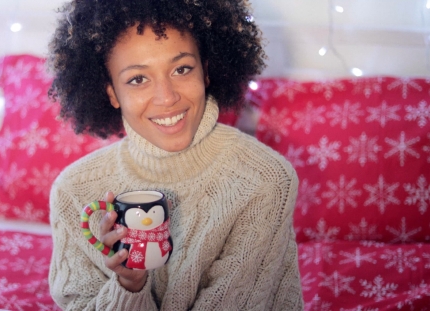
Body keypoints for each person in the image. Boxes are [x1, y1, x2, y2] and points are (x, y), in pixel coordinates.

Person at [47, 0, 303, 310]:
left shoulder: (265, 179)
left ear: (205, 72)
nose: (167, 97)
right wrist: (129, 285)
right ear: (112, 93)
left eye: (181, 69)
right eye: (138, 79)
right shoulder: (74, 192)